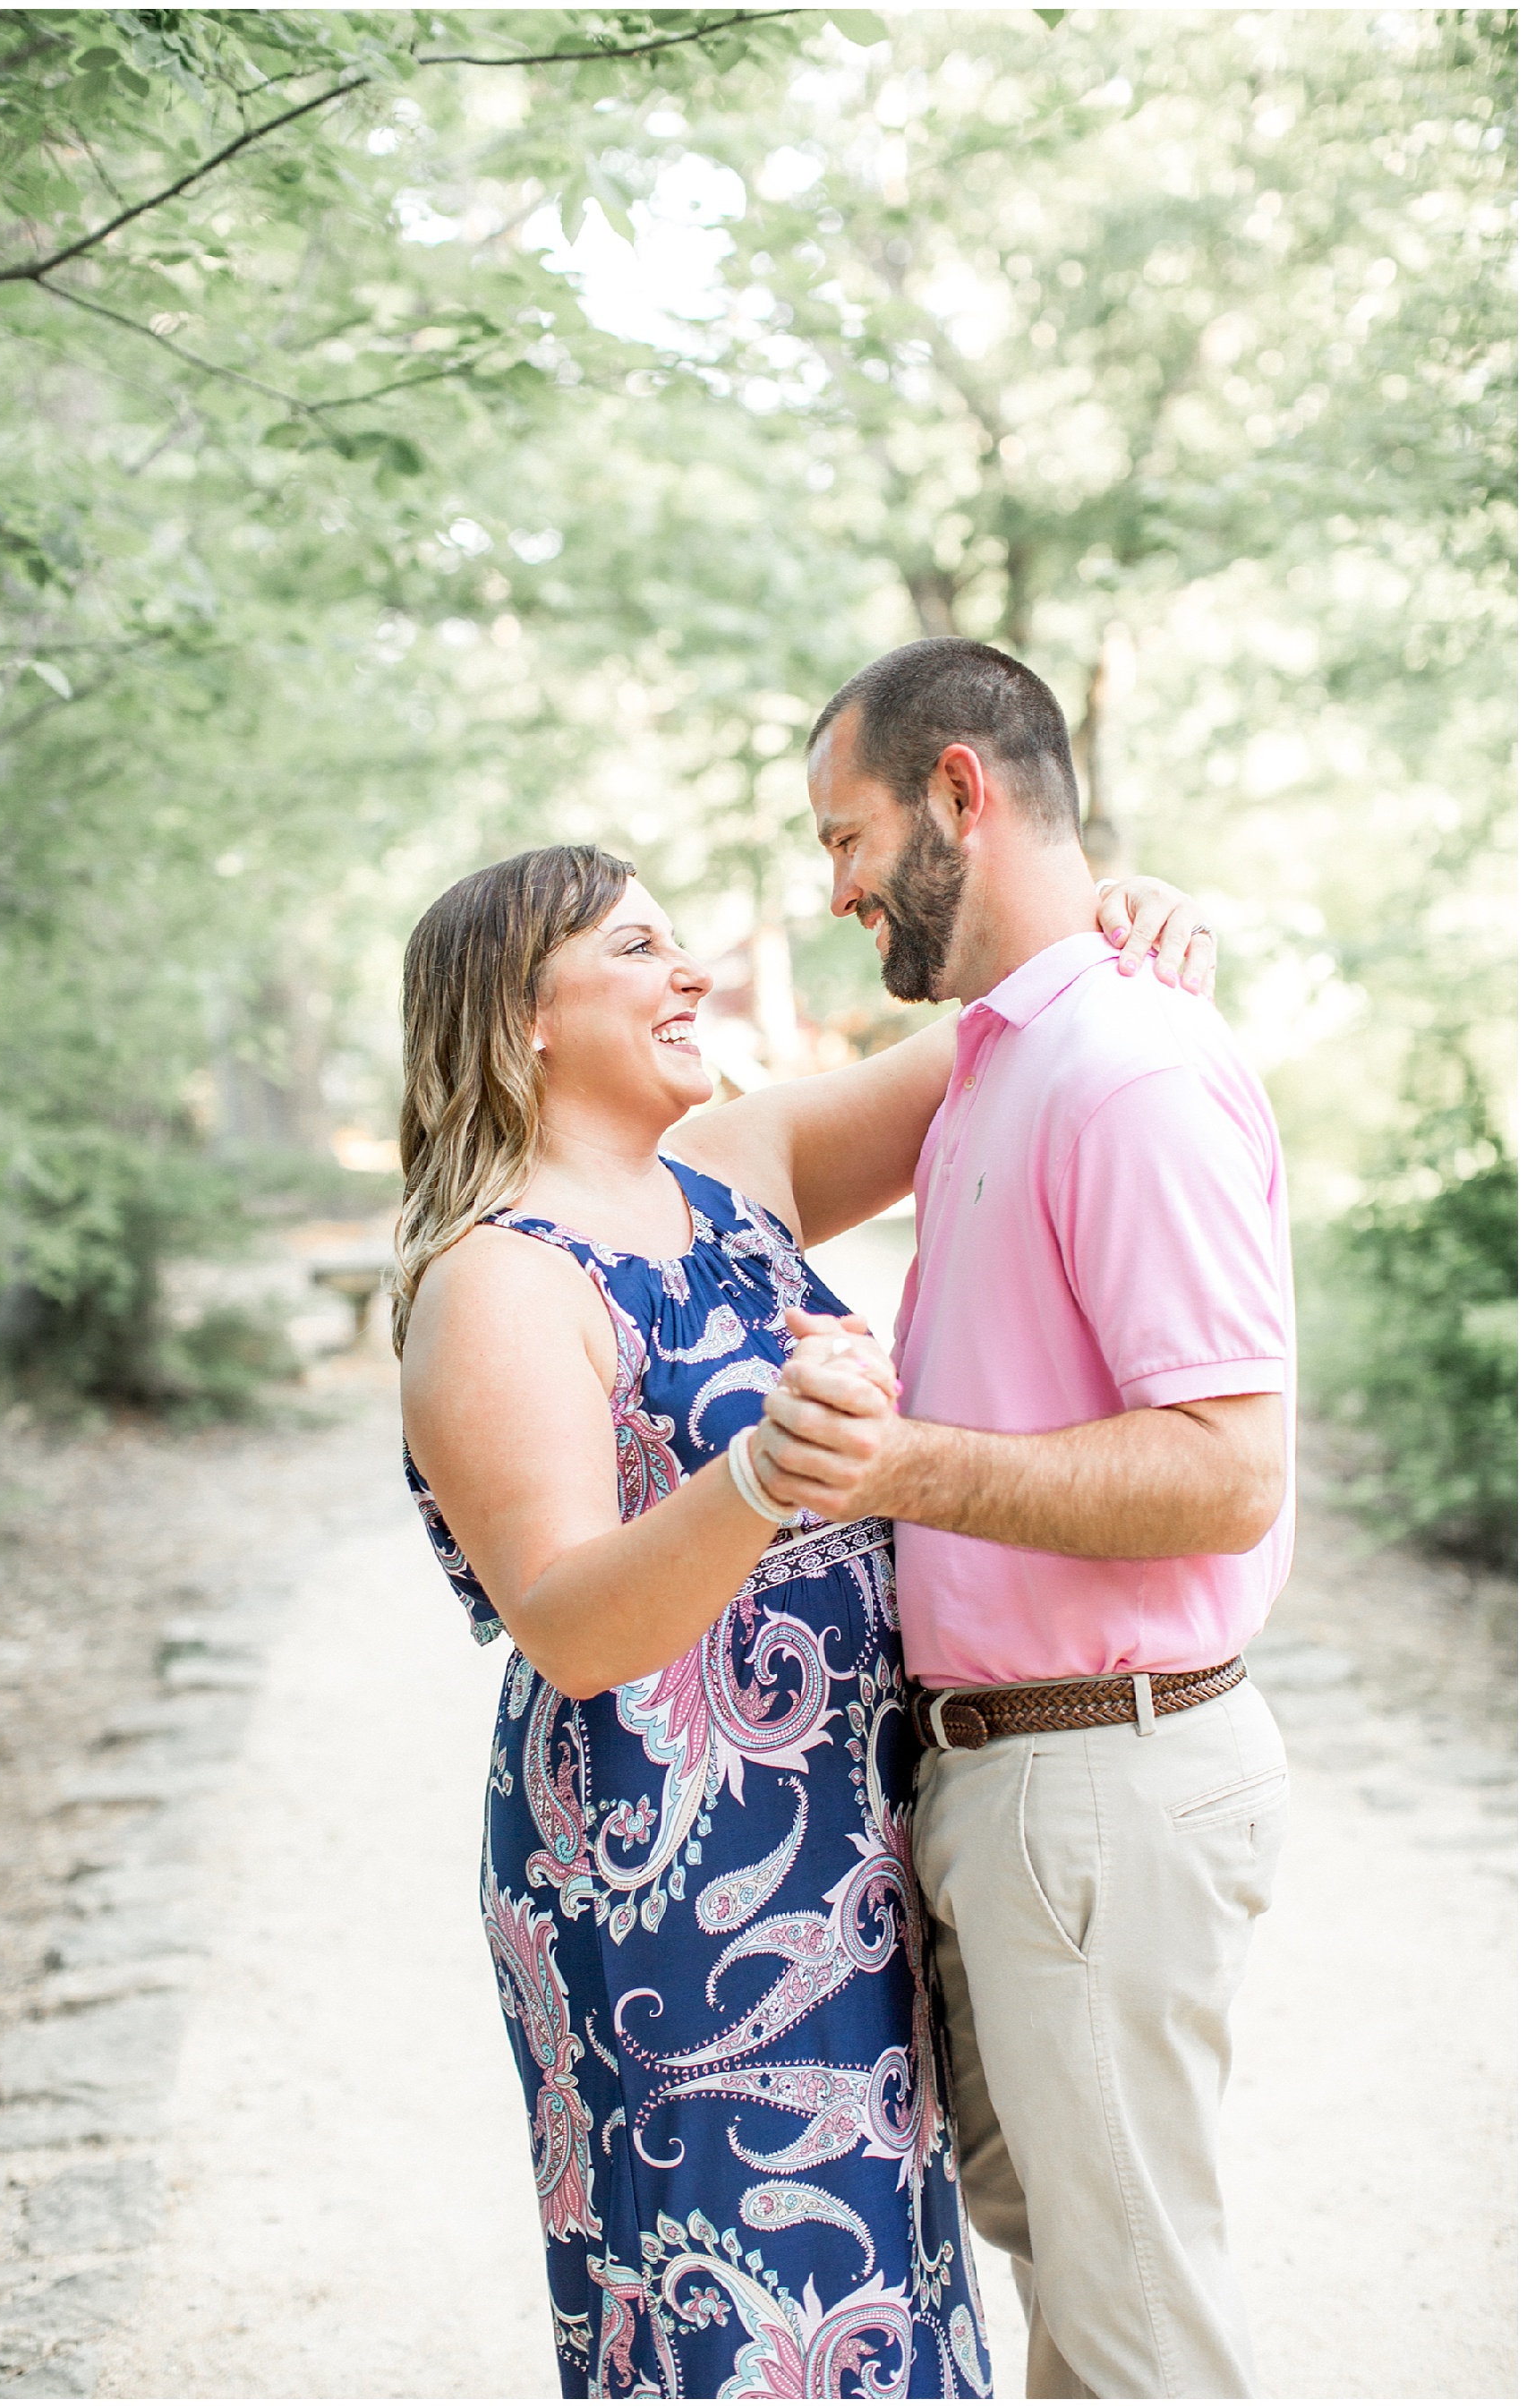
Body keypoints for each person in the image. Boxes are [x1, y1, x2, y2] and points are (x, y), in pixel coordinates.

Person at [394, 840, 1214, 2399]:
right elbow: (568, 1623)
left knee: (884, 2287)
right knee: (735, 2305)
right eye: (638, 949)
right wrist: (764, 1469)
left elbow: (1013, 1021)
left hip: (844, 1835)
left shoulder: (736, 1166)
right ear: (521, 1024)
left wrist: (1130, 916)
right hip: (662, 1879)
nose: (690, 970)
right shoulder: (495, 1283)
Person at [755, 636, 1295, 2400]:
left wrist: (898, 1464)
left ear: (959, 794)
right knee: (1088, 2299)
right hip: (1016, 1782)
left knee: (1141, 2340)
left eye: (847, 836)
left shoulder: (1126, 1067)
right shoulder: (1001, 1059)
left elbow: (1226, 1468)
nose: (833, 887)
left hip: (1098, 1781)